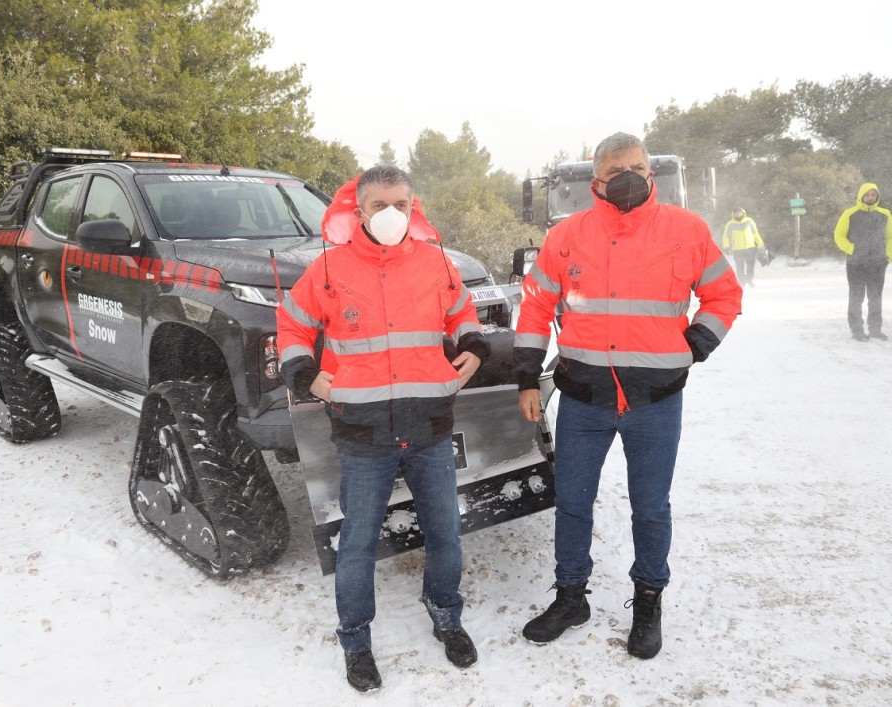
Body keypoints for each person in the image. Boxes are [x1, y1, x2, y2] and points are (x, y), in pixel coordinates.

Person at [513, 133, 743, 660]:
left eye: (638, 167)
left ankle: (647, 603)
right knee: (572, 504)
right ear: (596, 178)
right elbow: (533, 307)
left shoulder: (686, 230)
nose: (629, 176)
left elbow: (724, 294)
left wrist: (695, 344)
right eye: (617, 168)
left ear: (651, 173)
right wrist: (528, 376)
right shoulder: (566, 236)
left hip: (655, 401)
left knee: (650, 508)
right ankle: (571, 598)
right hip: (584, 399)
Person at [276, 165, 488, 692]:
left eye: (401, 204)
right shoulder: (328, 269)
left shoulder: (437, 261)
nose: (391, 214)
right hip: (362, 434)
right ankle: (355, 639)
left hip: (430, 428)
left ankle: (445, 613)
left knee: (446, 534)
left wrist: (473, 346)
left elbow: (463, 311)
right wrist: (304, 373)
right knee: (357, 545)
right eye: (378, 205)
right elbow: (292, 322)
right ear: (359, 211)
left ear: (414, 209)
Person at [833, 183, 892, 341]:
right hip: (856, 263)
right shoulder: (850, 214)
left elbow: (889, 237)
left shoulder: (885, 214)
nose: (871, 197)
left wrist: (887, 256)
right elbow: (839, 235)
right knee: (856, 297)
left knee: (875, 298)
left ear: (877, 197)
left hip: (878, 263)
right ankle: (857, 330)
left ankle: (875, 329)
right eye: (868, 195)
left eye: (873, 195)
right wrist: (852, 249)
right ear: (861, 196)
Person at [721, 207, 765, 287]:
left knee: (750, 265)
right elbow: (726, 236)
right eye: (736, 213)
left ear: (743, 213)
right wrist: (726, 246)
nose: (737, 214)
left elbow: (755, 234)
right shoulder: (730, 224)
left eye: (739, 213)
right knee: (739, 267)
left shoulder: (749, 221)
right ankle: (742, 282)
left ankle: (749, 279)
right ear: (733, 214)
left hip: (750, 248)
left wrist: (760, 244)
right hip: (738, 249)